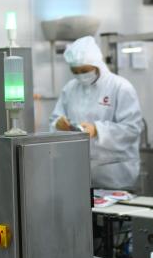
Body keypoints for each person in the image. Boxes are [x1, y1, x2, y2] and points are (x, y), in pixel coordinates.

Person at [50, 36, 143, 189]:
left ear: (97, 64)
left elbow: (132, 129)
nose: (80, 75)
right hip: (78, 173)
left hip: (115, 174)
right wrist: (58, 124)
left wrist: (97, 130)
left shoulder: (120, 87)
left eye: (84, 70)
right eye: (75, 71)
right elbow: (55, 120)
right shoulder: (70, 88)